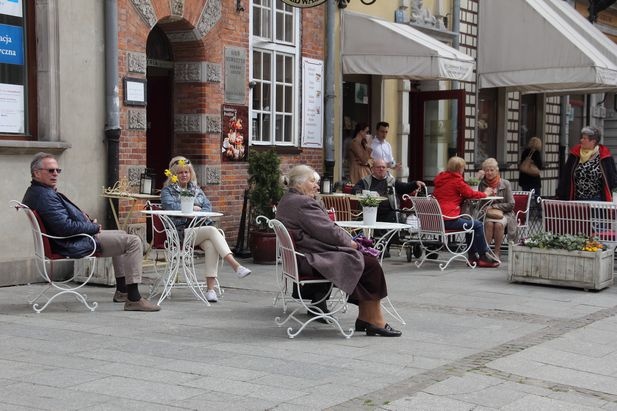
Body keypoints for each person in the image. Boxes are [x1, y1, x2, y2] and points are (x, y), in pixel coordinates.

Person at [22, 152, 160, 311]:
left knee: (121, 235)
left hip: (70, 239)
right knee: (133, 242)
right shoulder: (45, 196)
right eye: (51, 170)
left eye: (57, 171)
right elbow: (65, 228)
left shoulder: (39, 192)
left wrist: (86, 221)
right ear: (36, 173)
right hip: (70, 243)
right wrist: (92, 227)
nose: (55, 174)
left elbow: (63, 222)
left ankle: (122, 291)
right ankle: (134, 298)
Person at [276, 165, 402, 337]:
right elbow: (328, 232)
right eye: (312, 181)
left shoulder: (288, 200)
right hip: (312, 259)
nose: (317, 186)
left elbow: (323, 230)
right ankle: (374, 320)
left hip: (304, 257)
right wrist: (353, 244)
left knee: (364, 262)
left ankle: (367, 318)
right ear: (299, 183)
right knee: (370, 264)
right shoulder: (303, 203)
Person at [160, 156, 251, 303]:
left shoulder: (196, 190)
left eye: (186, 172)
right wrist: (193, 208)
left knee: (211, 245)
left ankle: (210, 290)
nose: (184, 175)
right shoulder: (168, 191)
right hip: (180, 233)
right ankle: (235, 265)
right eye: (180, 172)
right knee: (212, 231)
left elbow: (208, 207)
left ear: (191, 174)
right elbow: (171, 207)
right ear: (174, 175)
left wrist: (195, 210)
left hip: (198, 230)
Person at [432, 156, 499, 268]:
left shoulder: (441, 179)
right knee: (476, 225)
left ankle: (472, 257)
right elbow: (471, 194)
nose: (463, 170)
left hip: (436, 220)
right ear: (459, 169)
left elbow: (448, 194)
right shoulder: (457, 181)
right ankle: (483, 255)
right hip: (447, 220)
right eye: (463, 168)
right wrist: (486, 193)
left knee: (469, 223)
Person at [556, 126, 617, 201]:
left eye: (584, 138)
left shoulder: (605, 156)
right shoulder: (574, 154)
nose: (581, 140)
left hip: (596, 200)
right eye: (582, 138)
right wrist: (560, 193)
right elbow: (565, 176)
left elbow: (612, 179)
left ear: (593, 141)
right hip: (576, 199)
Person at [477, 158, 516, 259]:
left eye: (492, 170)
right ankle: (486, 252)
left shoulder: (505, 183)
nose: (489, 172)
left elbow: (511, 204)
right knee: (489, 223)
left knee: (499, 224)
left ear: (497, 170)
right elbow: (477, 202)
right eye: (486, 170)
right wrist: (477, 180)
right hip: (487, 213)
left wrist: (494, 206)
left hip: (504, 213)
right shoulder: (482, 184)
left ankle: (497, 253)